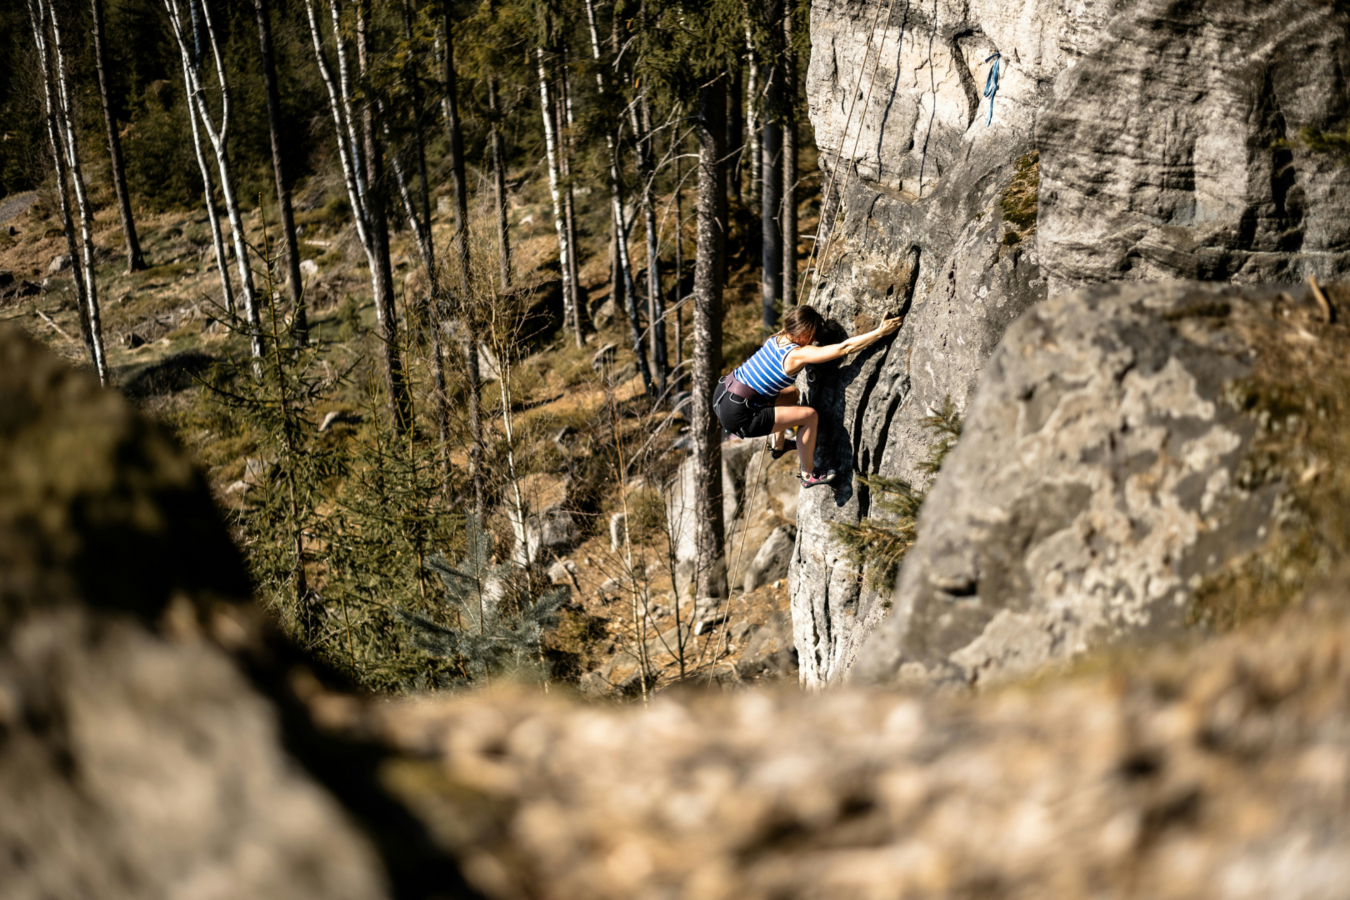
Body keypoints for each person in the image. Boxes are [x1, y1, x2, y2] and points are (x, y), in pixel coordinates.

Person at [713, 306, 903, 487]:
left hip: (724, 393)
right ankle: (808, 474)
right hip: (739, 416)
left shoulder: (778, 337)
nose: (813, 340)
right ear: (803, 331)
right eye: (812, 335)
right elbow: (843, 349)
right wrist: (879, 332)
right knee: (810, 416)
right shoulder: (796, 354)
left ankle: (778, 446)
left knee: (792, 394)